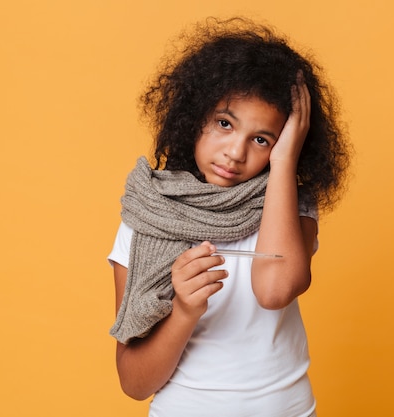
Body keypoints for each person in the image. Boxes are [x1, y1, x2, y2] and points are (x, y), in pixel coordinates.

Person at [108, 17, 350, 417]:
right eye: (224, 124)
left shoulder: (289, 203)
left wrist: (285, 160)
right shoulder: (148, 214)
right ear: (194, 118)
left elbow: (274, 291)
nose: (236, 153)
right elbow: (134, 383)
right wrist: (185, 310)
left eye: (261, 139)